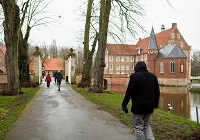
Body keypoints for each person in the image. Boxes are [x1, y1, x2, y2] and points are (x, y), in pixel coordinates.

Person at [122, 61, 160, 140]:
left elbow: (129, 92)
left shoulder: (134, 77)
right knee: (146, 125)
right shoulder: (153, 77)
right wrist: (155, 105)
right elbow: (157, 92)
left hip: (138, 107)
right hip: (149, 107)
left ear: (136, 68)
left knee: (138, 127)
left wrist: (124, 105)